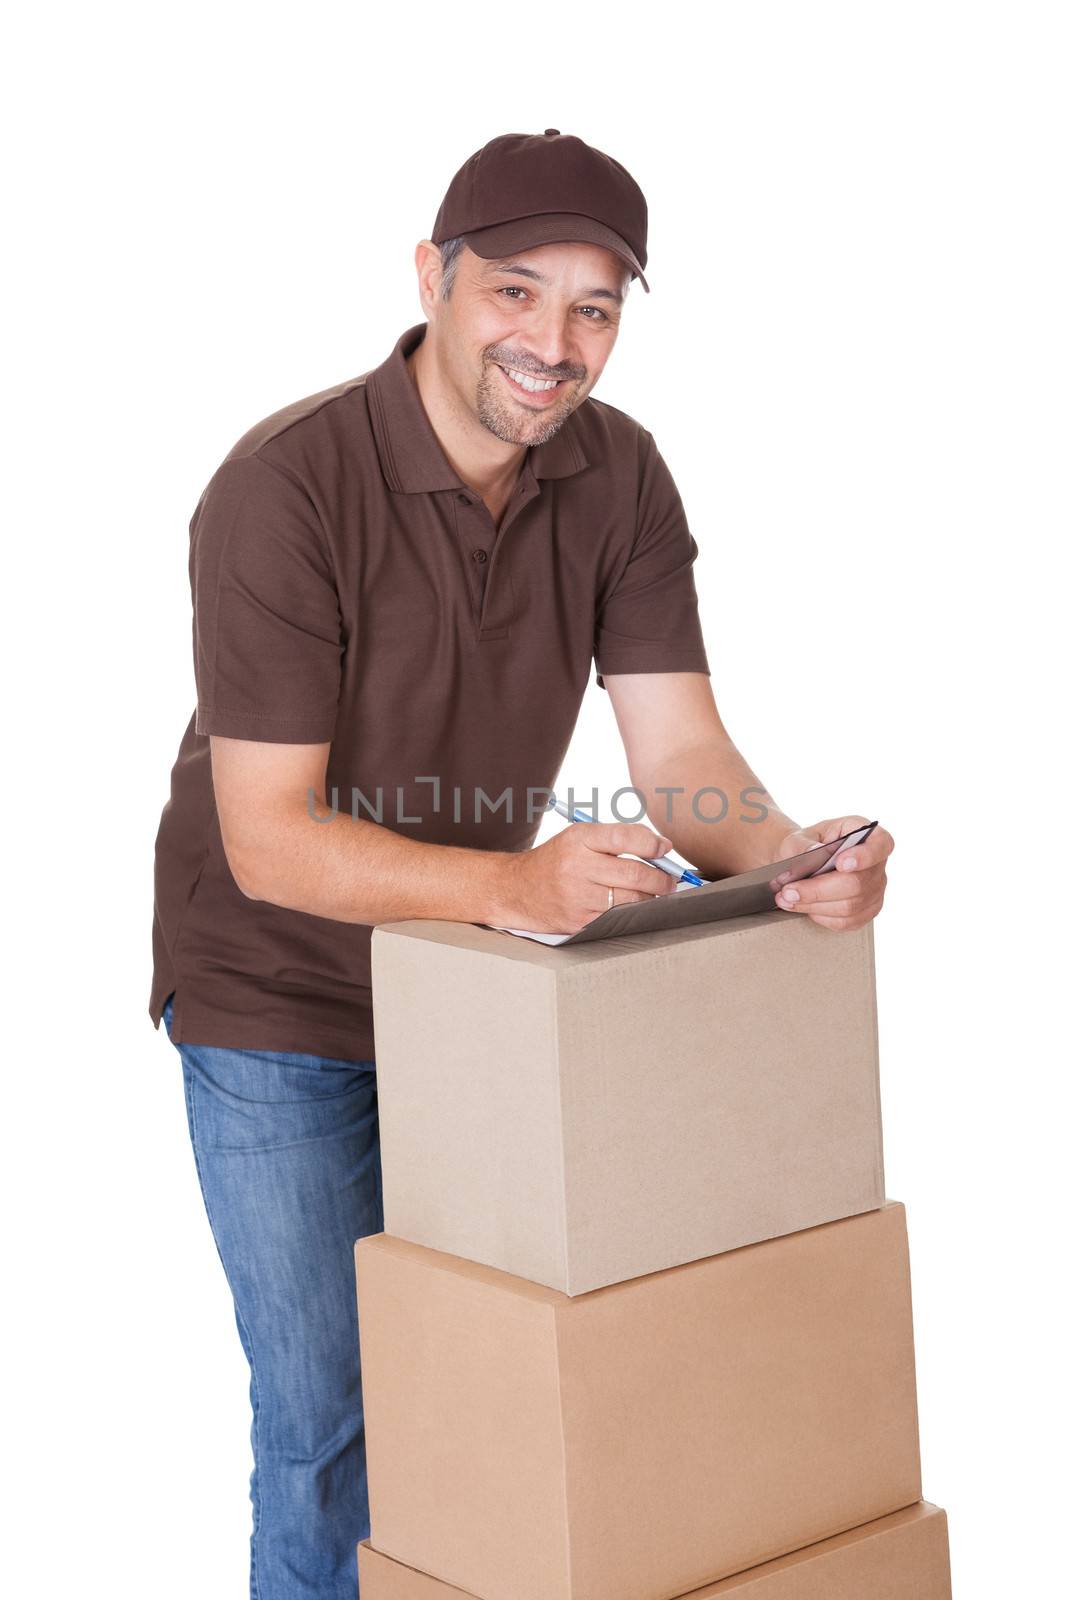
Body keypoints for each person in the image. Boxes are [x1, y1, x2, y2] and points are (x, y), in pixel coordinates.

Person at [150, 129, 894, 1598]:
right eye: (514, 292)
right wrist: (511, 887)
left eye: (595, 307)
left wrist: (796, 859)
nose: (553, 344)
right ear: (432, 279)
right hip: (275, 1002)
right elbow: (268, 839)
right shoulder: (288, 487)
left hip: (467, 1004)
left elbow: (683, 762)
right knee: (328, 1429)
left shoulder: (616, 479)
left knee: (484, 1385)